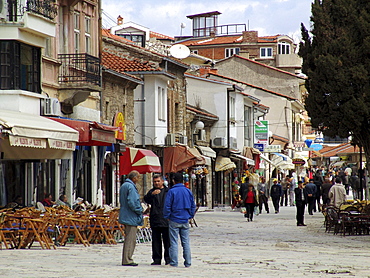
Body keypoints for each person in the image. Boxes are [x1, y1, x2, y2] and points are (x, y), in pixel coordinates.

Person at [163, 172, 195, 268]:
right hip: (184, 219)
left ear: (173, 180)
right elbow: (193, 205)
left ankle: (174, 262)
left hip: (174, 219)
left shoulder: (172, 192)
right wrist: (190, 215)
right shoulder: (188, 191)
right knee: (185, 242)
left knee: (173, 241)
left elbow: (167, 206)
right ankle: (188, 262)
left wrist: (167, 216)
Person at [144, 174, 170, 265]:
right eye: (155, 182)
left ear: (162, 181)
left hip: (166, 220)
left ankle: (168, 259)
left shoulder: (168, 191)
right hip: (155, 219)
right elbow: (146, 200)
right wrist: (151, 195)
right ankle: (157, 259)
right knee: (156, 241)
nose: (157, 183)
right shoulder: (151, 192)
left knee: (167, 241)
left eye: (158, 181)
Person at [119, 170, 143, 266]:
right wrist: (139, 210)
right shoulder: (131, 187)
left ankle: (127, 258)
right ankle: (127, 259)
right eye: (138, 177)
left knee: (128, 237)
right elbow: (132, 202)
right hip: (131, 216)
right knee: (130, 239)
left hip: (125, 214)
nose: (139, 179)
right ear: (134, 178)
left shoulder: (124, 185)